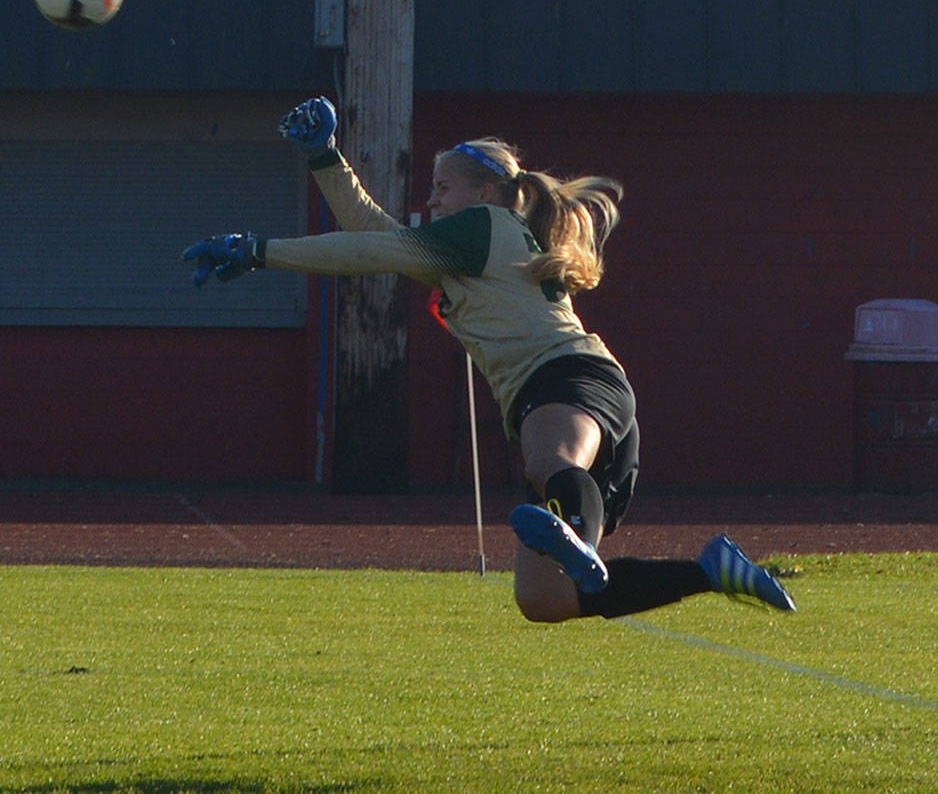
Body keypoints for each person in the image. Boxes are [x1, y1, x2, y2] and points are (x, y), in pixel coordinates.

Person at [183, 97, 795, 622]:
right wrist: (325, 159)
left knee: (548, 461)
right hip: (587, 391)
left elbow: (369, 247)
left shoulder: (482, 226)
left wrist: (261, 251)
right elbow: (377, 233)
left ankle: (578, 540)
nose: (434, 198)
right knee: (545, 599)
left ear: (486, 191)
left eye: (442, 187)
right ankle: (709, 573)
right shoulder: (474, 241)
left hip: (566, 377)